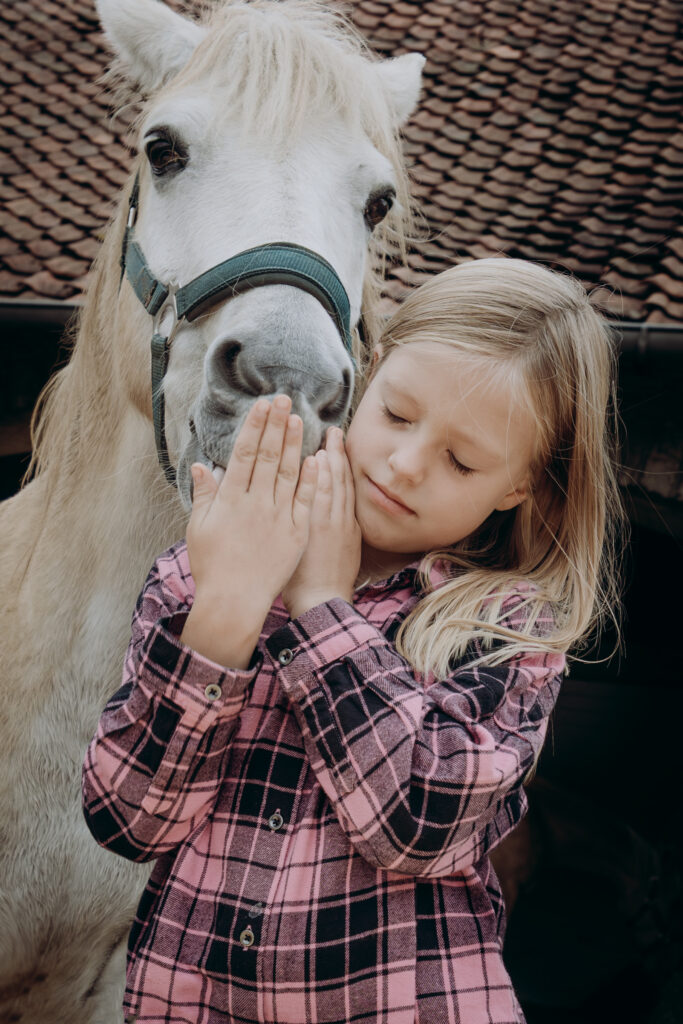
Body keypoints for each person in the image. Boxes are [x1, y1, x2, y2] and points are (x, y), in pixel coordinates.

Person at [82, 257, 622, 1024]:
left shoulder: (509, 627)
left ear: (520, 486)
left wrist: (320, 608)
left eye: (461, 460)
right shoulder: (215, 563)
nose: (405, 465)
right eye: (396, 414)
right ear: (369, 372)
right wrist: (227, 610)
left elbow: (416, 824)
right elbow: (127, 821)